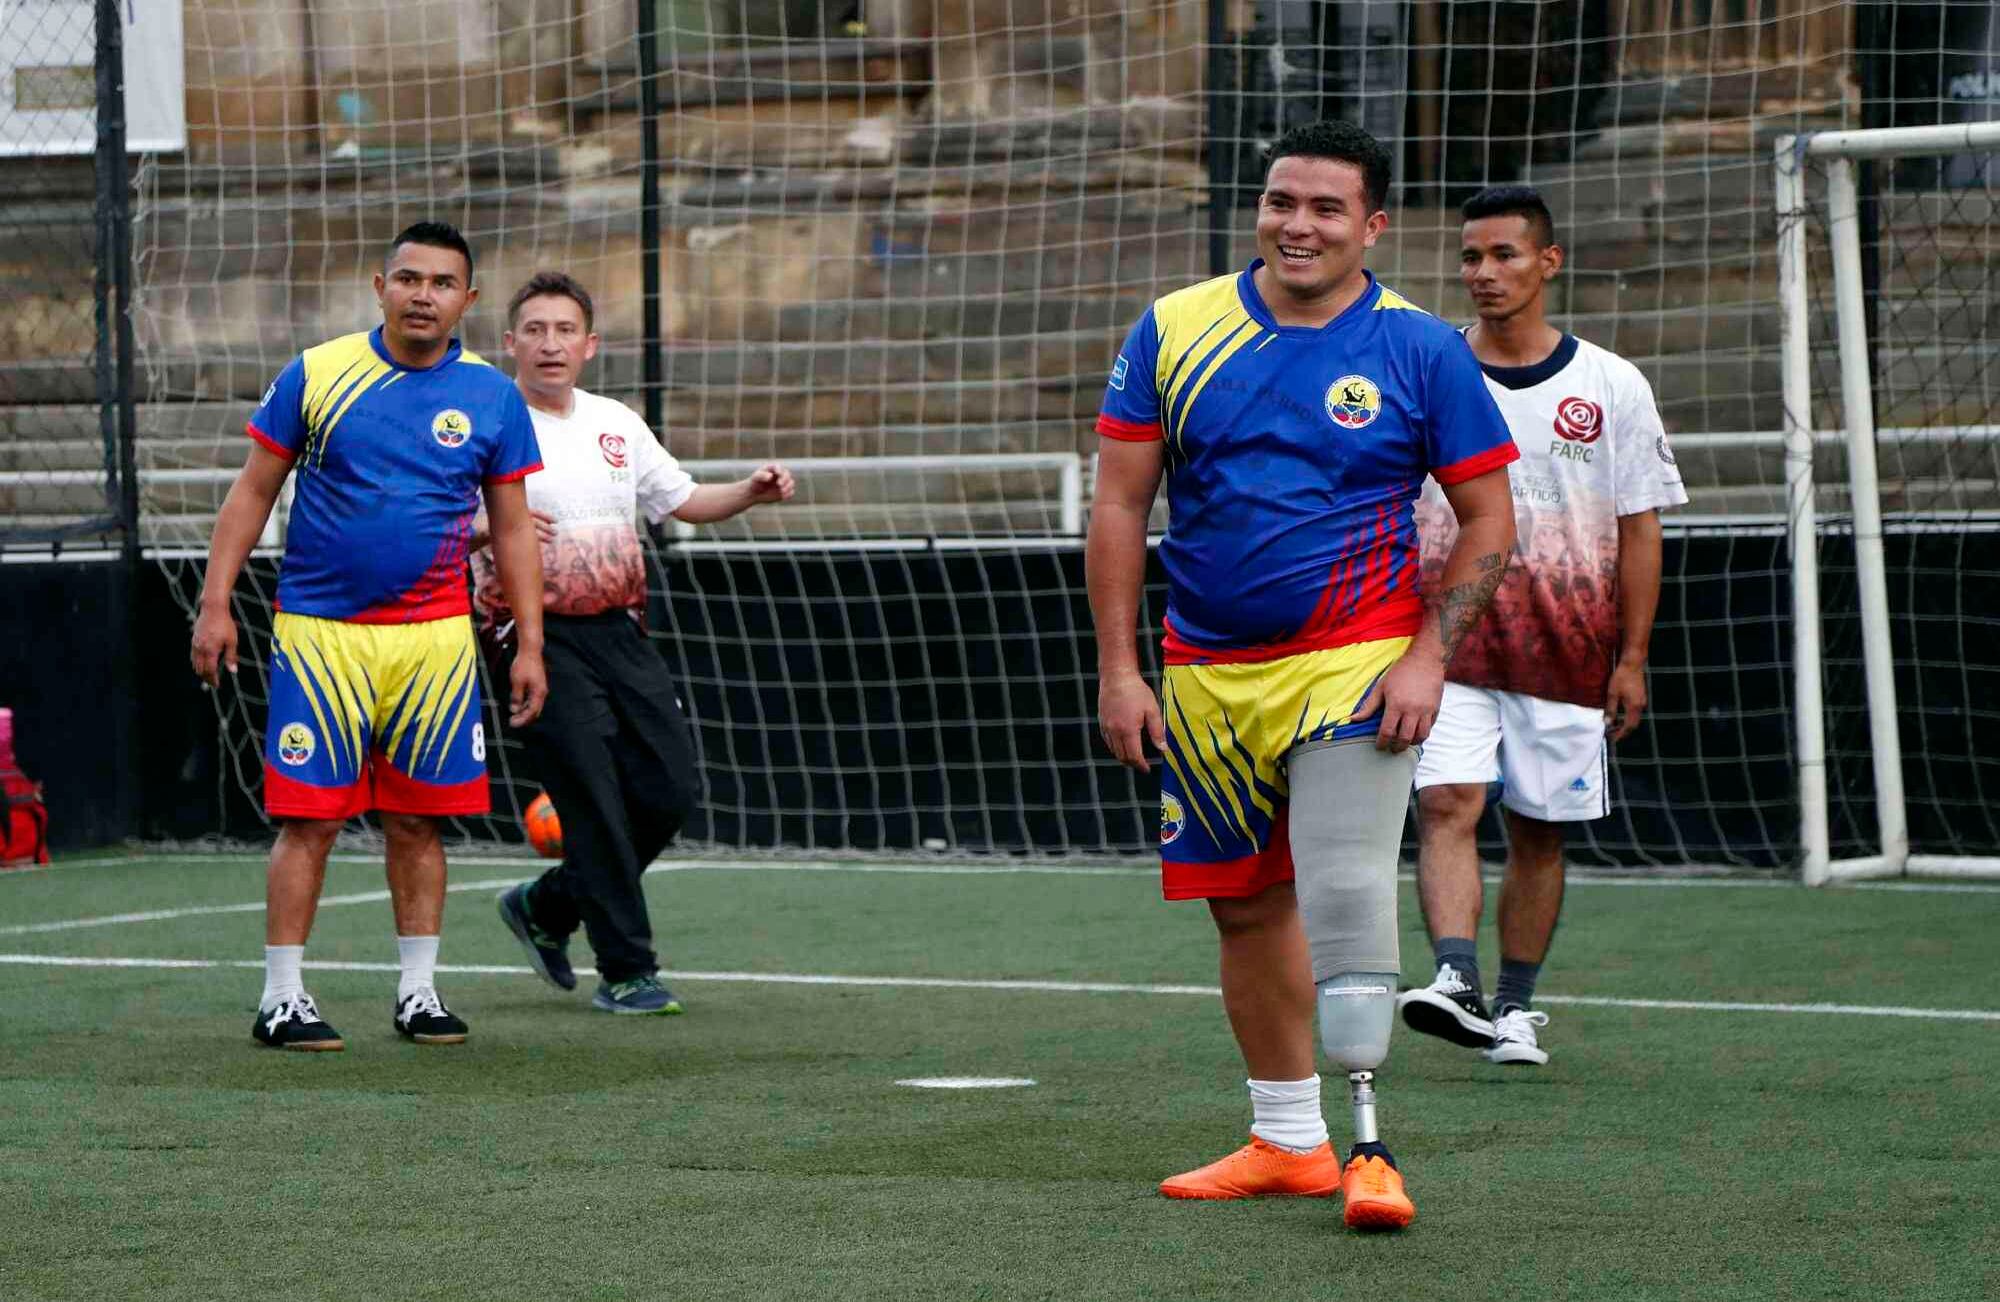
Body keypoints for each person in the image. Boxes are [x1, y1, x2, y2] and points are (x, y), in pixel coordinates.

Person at [1087, 120, 1519, 1231]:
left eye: (1326, 208)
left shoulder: (1420, 349)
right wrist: (1120, 670)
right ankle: (1285, 1140)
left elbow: (1486, 519)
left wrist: (1428, 656)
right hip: (1202, 675)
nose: (1297, 224)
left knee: (1337, 890)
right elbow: (1121, 505)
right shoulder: (1174, 328)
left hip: (1354, 667)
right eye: (1282, 201)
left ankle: (1371, 1147)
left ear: (1371, 226)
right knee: (1242, 909)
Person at [190, 221, 549, 1052]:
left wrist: (529, 644)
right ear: (379, 287)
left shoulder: (493, 396)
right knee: (309, 822)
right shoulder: (318, 373)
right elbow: (252, 493)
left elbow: (516, 529)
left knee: (419, 822)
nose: (423, 295)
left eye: (441, 282)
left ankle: (418, 992)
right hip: (321, 637)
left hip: (435, 644)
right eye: (408, 279)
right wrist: (215, 605)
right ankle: (282, 997)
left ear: (469, 298)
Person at [1399, 186, 1687, 1066]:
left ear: (1547, 262)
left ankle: (1515, 1007)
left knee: (1537, 832)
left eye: (1503, 256)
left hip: (1565, 653)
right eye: (1470, 257)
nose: (1483, 274)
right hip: (1443, 646)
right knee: (1446, 804)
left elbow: (1641, 527)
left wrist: (1631, 658)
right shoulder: (1430, 367)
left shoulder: (1610, 384)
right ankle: (1455, 979)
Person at [477, 271, 794, 1015]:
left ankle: (548, 906)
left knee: (667, 789)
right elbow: (438, 519)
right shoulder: (485, 422)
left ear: (589, 345)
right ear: (509, 342)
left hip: (621, 628)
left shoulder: (616, 422)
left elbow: (682, 501)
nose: (549, 343)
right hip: (531, 633)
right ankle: (627, 970)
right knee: (591, 793)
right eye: (535, 329)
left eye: (564, 331)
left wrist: (749, 491)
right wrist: (484, 529)